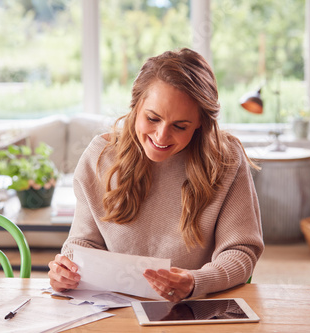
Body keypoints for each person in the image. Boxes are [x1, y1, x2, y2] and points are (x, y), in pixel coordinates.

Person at [48, 48, 264, 302]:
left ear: (200, 124)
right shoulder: (101, 155)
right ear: (136, 105)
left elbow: (240, 251)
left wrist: (196, 281)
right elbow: (83, 244)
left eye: (180, 126)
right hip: (113, 307)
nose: (161, 137)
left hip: (190, 307)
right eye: (153, 118)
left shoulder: (226, 160)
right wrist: (66, 270)